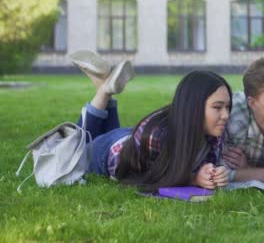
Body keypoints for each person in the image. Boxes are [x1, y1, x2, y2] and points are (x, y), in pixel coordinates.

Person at [68, 50, 232, 191]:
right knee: (73, 152)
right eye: (217, 107)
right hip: (108, 154)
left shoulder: (214, 129)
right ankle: (104, 90)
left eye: (227, 107)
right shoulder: (157, 135)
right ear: (193, 106)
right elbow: (152, 178)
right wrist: (194, 179)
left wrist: (216, 172)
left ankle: (104, 87)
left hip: (129, 141)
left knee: (92, 140)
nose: (225, 115)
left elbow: (207, 162)